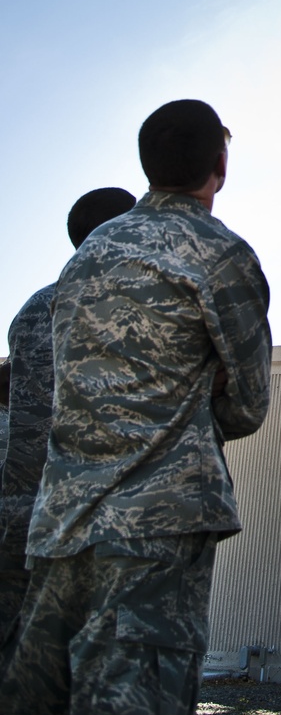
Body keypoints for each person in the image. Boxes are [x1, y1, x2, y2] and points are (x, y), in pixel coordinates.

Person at [0, 99, 272, 715]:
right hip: (154, 539)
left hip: (61, 529)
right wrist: (193, 392)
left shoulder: (84, 259)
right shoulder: (220, 255)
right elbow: (247, 405)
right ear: (221, 162)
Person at [0, 187, 136, 661]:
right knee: (94, 665)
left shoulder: (34, 308)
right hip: (94, 519)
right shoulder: (130, 307)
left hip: (21, 512)